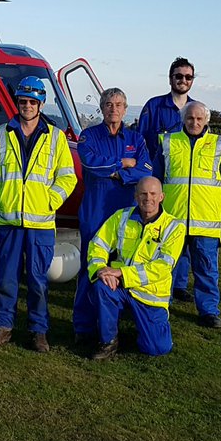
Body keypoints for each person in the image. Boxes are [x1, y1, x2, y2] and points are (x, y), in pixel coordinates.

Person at [0, 76, 77, 353]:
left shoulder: (56, 137)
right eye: (22, 101)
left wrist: (50, 200)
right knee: (7, 278)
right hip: (9, 220)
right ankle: (2, 327)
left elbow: (67, 177)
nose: (26, 106)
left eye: (32, 102)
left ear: (41, 104)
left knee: (38, 280)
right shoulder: (0, 134)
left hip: (41, 222)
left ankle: (38, 331)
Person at [153, 101, 221, 328]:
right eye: (190, 118)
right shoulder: (168, 143)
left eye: (199, 119)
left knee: (206, 270)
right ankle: (160, 304)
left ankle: (209, 311)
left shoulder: (219, 146)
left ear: (207, 121)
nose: (194, 122)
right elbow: (155, 180)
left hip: (206, 224)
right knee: (165, 266)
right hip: (172, 221)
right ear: (183, 119)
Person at [73, 87, 151, 345]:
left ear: (125, 109)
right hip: (96, 212)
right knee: (90, 267)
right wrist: (123, 163)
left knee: (121, 268)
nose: (113, 108)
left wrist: (121, 172)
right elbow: (91, 165)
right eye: (108, 104)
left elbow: (145, 170)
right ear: (102, 107)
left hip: (125, 215)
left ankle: (113, 325)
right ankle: (83, 326)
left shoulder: (136, 139)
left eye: (118, 104)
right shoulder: (88, 135)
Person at [87, 176, 185, 359]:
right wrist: (100, 269)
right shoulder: (121, 216)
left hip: (150, 295)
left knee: (157, 349)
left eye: (153, 194)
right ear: (136, 196)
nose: (148, 198)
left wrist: (121, 273)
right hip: (120, 287)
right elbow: (98, 244)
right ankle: (108, 342)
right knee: (101, 286)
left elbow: (162, 267)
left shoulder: (174, 227)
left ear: (162, 196)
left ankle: (146, 330)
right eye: (143, 194)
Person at [137, 57, 197, 302]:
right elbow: (140, 140)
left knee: (181, 232)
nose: (183, 80)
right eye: (178, 76)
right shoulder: (154, 106)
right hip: (155, 180)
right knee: (156, 231)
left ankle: (179, 284)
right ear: (170, 78)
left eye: (188, 77)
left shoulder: (196, 109)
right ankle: (152, 278)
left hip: (183, 185)